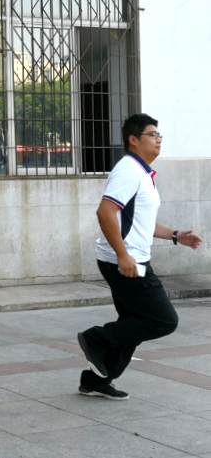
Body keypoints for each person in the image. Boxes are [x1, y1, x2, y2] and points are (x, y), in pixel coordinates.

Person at [77, 114, 203, 400]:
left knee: (134, 322)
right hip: (125, 261)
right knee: (163, 320)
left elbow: (140, 221)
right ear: (133, 139)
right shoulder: (129, 171)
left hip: (128, 258)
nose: (158, 140)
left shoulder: (143, 173)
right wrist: (123, 255)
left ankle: (97, 380)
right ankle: (95, 338)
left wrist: (175, 235)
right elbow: (105, 212)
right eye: (152, 134)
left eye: (159, 135)